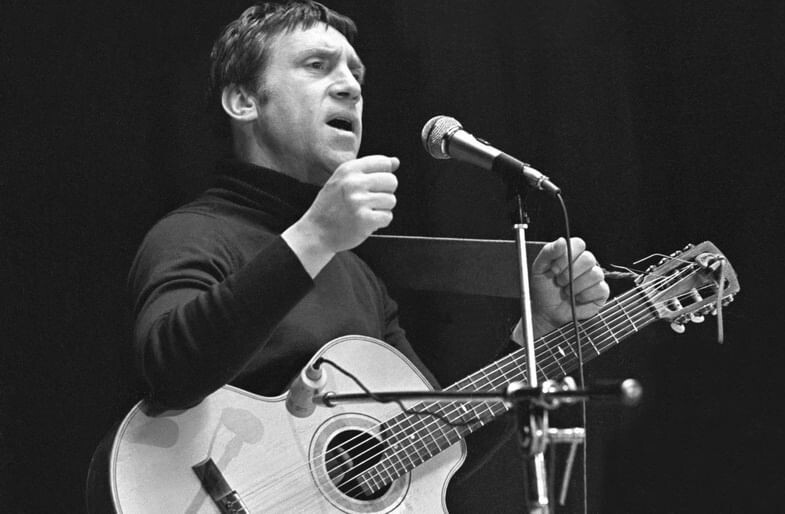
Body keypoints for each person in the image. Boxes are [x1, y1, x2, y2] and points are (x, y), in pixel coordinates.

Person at [87, 1, 609, 510]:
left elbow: (434, 447)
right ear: (244, 101)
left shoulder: (357, 277)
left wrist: (537, 339)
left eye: (355, 73)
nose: (350, 87)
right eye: (317, 66)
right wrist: (314, 236)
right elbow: (172, 374)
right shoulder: (192, 234)